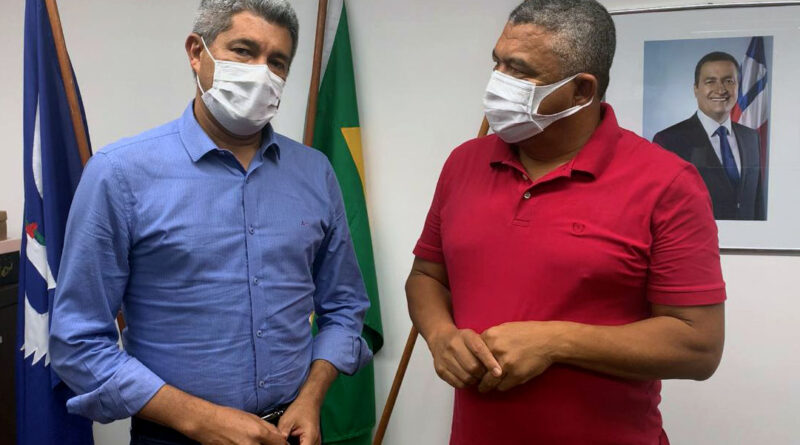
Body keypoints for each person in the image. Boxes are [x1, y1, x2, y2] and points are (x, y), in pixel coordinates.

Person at [49, 1, 372, 444]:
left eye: (277, 61)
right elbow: (78, 341)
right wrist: (199, 420)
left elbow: (345, 307)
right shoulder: (119, 174)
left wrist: (312, 397)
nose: (261, 72)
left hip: (292, 430)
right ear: (196, 52)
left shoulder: (315, 173)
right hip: (173, 436)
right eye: (243, 50)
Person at [405, 1, 726, 444]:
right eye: (498, 63)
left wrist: (556, 342)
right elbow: (426, 276)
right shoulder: (464, 163)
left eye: (520, 71)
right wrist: (440, 335)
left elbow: (699, 346)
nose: (498, 82)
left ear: (581, 91)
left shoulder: (667, 182)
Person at [653, 51, 765, 220]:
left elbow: (757, 203)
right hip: (695, 236)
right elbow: (661, 208)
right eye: (710, 81)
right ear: (696, 89)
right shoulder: (668, 141)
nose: (720, 89)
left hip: (749, 236)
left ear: (738, 87)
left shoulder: (751, 138)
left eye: (728, 81)